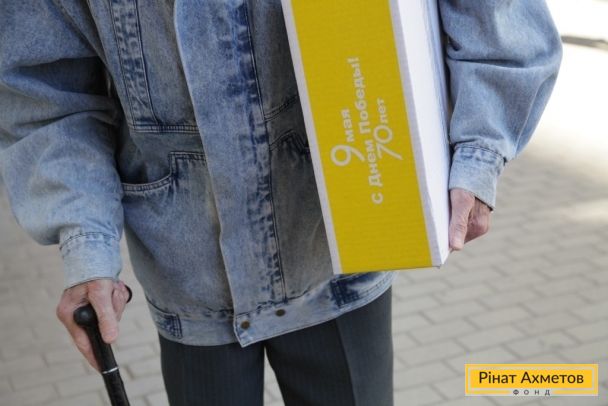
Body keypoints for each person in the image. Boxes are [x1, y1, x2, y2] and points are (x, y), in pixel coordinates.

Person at [0, 1, 561, 405]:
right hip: (191, 279)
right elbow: (46, 93)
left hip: (340, 246)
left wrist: (480, 150)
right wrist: (85, 243)